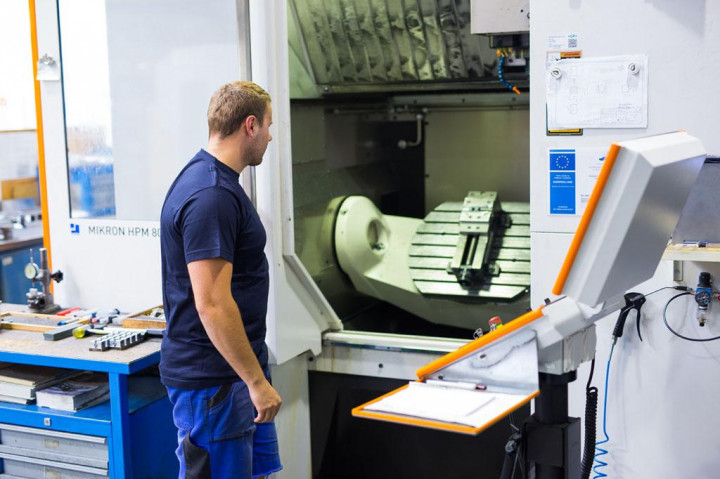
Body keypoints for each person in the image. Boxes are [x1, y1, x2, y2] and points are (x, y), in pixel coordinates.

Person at [159, 81, 282, 478]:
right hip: (215, 385)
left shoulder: (216, 183)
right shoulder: (211, 195)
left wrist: (255, 377)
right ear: (250, 125)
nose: (270, 136)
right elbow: (211, 303)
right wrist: (256, 382)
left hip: (236, 377)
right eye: (268, 125)